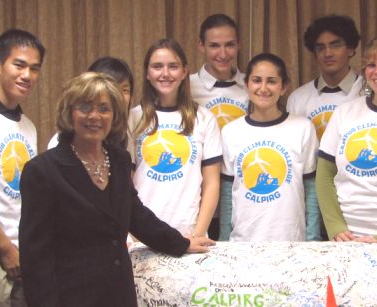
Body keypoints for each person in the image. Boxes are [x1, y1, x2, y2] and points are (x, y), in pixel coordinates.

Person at [19, 72, 214, 306]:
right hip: (71, 297)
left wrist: (180, 243)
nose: (94, 116)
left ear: (114, 116)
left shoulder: (120, 159)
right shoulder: (42, 171)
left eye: (104, 108)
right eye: (84, 107)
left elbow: (137, 215)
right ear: (69, 113)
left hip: (118, 294)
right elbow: (35, 257)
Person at [316, 34, 377, 273]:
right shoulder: (345, 113)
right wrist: (335, 228)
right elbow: (324, 175)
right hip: (346, 242)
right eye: (371, 65)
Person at [128, 38, 222, 239]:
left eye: (173, 66)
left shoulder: (204, 119)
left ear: (185, 71)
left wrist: (197, 234)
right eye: (157, 67)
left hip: (189, 233)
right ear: (147, 73)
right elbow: (126, 183)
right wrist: (132, 231)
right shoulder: (133, 118)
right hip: (141, 234)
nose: (165, 73)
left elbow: (212, 183)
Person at [222, 53, 318, 242]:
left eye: (272, 81)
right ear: (247, 84)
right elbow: (227, 193)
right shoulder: (230, 132)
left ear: (283, 87)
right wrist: (223, 240)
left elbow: (311, 189)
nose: (263, 88)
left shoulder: (303, 128)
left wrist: (313, 238)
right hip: (242, 243)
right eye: (256, 80)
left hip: (292, 241)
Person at [287, 15, 362, 241]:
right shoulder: (298, 99)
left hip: (355, 199)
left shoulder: (366, 93)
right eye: (321, 47)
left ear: (350, 48)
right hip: (311, 200)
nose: (328, 53)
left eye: (336, 44)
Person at [0, 29, 45, 307]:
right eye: (20, 65)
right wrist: (3, 246)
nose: (27, 75)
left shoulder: (28, 126)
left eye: (34, 69)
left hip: (22, 251)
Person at [190, 14, 248, 240]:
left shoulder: (252, 84)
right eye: (214, 46)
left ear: (239, 45)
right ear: (201, 46)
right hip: (198, 193)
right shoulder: (188, 86)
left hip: (240, 191)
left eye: (229, 45)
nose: (223, 54)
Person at [47, 56, 134, 149]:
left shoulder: (128, 135)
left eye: (125, 90)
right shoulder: (58, 144)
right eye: (113, 88)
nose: (119, 96)